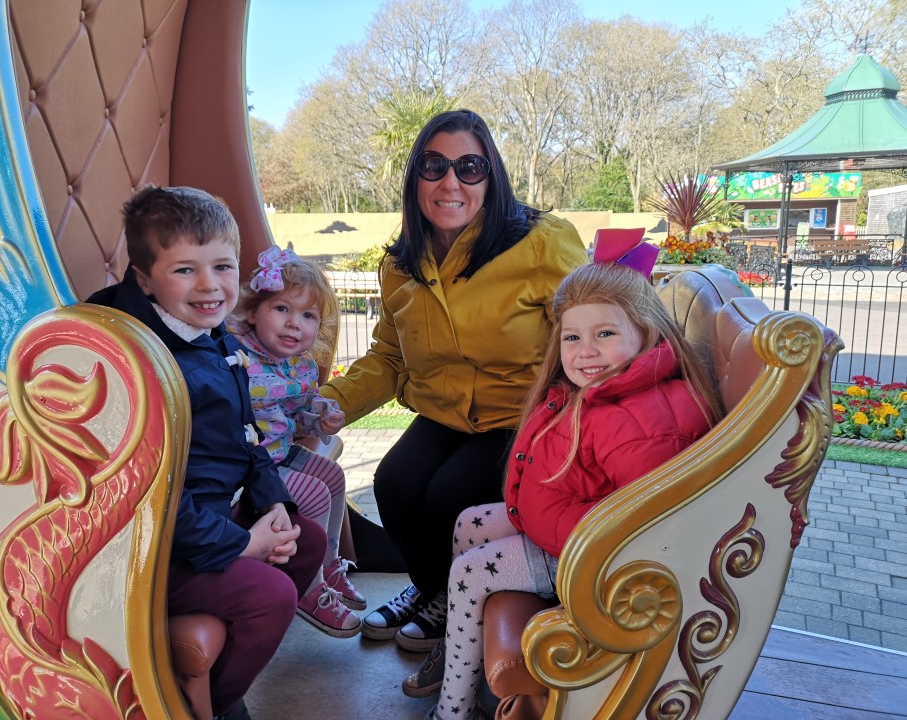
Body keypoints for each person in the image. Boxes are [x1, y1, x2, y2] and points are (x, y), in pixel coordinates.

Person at [403, 244, 723, 720]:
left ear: (647, 331)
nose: (585, 351)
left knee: (471, 572)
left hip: (597, 563)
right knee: (469, 523)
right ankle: (458, 651)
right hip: (570, 532)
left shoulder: (637, 419)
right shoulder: (605, 392)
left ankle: (453, 708)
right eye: (571, 337)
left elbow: (646, 530)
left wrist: (569, 548)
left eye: (605, 333)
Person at [319, 109, 586, 652]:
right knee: (394, 485)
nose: (450, 182)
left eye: (469, 167)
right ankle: (432, 589)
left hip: (524, 415)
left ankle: (449, 600)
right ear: (415, 175)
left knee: (449, 496)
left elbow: (594, 324)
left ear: (492, 178)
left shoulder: (542, 243)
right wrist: (326, 405)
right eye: (434, 165)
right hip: (446, 414)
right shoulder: (400, 266)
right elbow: (389, 359)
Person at [87, 186, 326, 720]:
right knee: (272, 596)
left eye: (222, 266)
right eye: (184, 271)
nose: (209, 286)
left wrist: (274, 508)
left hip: (205, 513)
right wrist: (242, 544)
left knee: (305, 538)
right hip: (150, 548)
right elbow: (145, 493)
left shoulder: (210, 332)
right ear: (145, 278)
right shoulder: (137, 359)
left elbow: (247, 437)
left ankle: (225, 682)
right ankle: (206, 707)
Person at [230, 246, 365, 638]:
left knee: (333, 477)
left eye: (308, 316)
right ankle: (309, 585)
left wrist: (319, 417)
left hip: (279, 452)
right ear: (253, 312)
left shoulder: (301, 367)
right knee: (316, 493)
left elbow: (296, 412)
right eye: (282, 309)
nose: (294, 325)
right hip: (247, 469)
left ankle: (329, 564)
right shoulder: (238, 356)